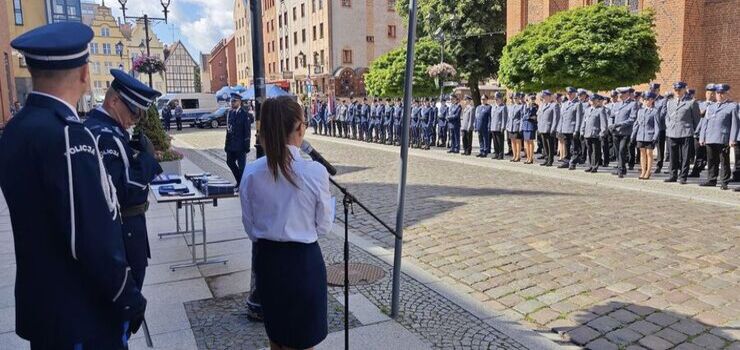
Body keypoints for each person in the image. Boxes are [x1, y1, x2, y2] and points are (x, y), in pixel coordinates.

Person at [0, 22, 146, 349]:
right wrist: (128, 296)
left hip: (43, 306)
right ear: (84, 74)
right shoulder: (69, 134)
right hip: (82, 312)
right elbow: (91, 234)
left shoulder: (15, 130)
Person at [239, 96, 333, 350]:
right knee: (302, 341)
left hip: (268, 260)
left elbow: (250, 226)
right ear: (300, 128)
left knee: (277, 338)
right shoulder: (314, 172)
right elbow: (323, 226)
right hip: (302, 263)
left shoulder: (250, 172)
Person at [85, 68, 163, 292]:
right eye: (134, 112)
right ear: (114, 101)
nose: (135, 119)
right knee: (127, 293)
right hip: (123, 228)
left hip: (125, 228)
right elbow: (123, 190)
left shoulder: (105, 129)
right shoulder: (106, 136)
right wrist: (147, 160)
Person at [700, 84, 736, 190]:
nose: (719, 95)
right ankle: (711, 179)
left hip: (723, 138)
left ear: (726, 94)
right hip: (710, 137)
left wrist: (732, 139)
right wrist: (702, 137)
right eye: (718, 93)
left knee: (724, 161)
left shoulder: (732, 106)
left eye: (722, 93)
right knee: (711, 160)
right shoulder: (710, 107)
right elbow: (705, 123)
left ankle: (724, 181)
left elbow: (734, 124)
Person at [664, 81, 701, 184]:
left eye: (679, 90)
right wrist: (668, 126)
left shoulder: (691, 102)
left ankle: (683, 176)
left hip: (686, 132)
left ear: (685, 89)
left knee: (685, 157)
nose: (678, 92)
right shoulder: (670, 102)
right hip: (672, 132)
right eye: (676, 90)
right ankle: (673, 175)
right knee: (673, 155)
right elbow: (667, 116)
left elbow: (697, 120)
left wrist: (695, 132)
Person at [225, 93, 252, 188]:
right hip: (231, 145)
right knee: (229, 162)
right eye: (231, 101)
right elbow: (228, 130)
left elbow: (247, 131)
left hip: (241, 145)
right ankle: (240, 181)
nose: (232, 103)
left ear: (239, 101)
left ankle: (241, 184)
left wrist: (247, 146)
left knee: (242, 167)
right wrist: (226, 145)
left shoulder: (244, 114)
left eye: (234, 101)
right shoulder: (230, 113)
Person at [609, 87, 638, 178]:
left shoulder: (633, 104)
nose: (620, 95)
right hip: (615, 132)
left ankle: (621, 170)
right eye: (619, 94)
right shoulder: (617, 104)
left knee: (622, 150)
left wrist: (618, 124)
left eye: (622, 93)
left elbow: (632, 119)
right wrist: (611, 125)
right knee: (617, 152)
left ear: (627, 94)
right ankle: (621, 168)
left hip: (625, 132)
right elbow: (611, 116)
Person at [631, 92, 661, 179]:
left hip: (650, 136)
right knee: (642, 153)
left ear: (652, 100)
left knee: (649, 153)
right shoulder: (640, 111)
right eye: (644, 100)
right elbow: (636, 124)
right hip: (641, 135)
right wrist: (633, 135)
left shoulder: (655, 111)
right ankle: (643, 170)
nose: (646, 101)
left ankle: (648, 171)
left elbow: (657, 126)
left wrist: (655, 136)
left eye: (648, 99)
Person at [690, 84, 716, 178]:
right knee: (698, 153)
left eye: (712, 93)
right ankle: (696, 170)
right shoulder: (700, 104)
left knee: (708, 154)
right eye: (708, 93)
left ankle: (703, 170)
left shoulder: (716, 106)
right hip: (698, 133)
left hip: (709, 133)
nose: (709, 95)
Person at [581, 94, 609, 173]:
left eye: (594, 100)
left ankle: (595, 166)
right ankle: (590, 165)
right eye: (591, 100)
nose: (592, 102)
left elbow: (603, 123)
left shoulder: (601, 110)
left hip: (596, 133)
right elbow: (584, 121)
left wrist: (602, 133)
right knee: (589, 150)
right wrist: (582, 131)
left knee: (596, 151)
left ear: (597, 101)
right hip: (587, 133)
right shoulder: (587, 110)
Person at [557, 87, 584, 169]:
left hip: (572, 129)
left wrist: (577, 130)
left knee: (574, 147)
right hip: (565, 128)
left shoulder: (578, 104)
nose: (568, 95)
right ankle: (566, 161)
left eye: (570, 93)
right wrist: (559, 129)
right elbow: (561, 118)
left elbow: (579, 118)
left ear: (574, 94)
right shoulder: (564, 104)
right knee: (566, 146)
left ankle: (573, 163)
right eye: (567, 94)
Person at [649, 83, 668, 173]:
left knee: (660, 147)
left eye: (653, 90)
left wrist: (654, 119)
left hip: (660, 127)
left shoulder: (663, 100)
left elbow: (663, 113)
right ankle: (647, 164)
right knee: (648, 146)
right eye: (651, 90)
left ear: (658, 90)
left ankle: (659, 165)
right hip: (649, 127)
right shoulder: (649, 99)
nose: (652, 92)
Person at [537, 90, 559, 166]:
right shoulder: (542, 105)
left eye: (545, 96)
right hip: (542, 128)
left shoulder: (554, 105)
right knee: (544, 145)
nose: (544, 98)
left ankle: (550, 160)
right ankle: (546, 159)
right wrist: (539, 127)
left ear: (549, 97)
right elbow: (539, 117)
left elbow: (556, 118)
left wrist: (553, 128)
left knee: (550, 145)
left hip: (549, 128)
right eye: (543, 97)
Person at [506, 92, 523, 162]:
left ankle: (518, 156)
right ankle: (514, 155)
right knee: (512, 141)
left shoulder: (521, 106)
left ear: (519, 98)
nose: (515, 99)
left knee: (518, 141)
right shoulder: (511, 106)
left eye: (516, 98)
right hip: (511, 126)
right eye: (514, 98)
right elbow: (509, 117)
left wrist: (520, 127)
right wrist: (507, 125)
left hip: (517, 126)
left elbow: (521, 118)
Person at [522, 94, 539, 164]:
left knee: (530, 142)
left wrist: (528, 116)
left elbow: (531, 116)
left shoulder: (535, 106)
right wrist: (528, 116)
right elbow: (523, 116)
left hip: (531, 126)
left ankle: (531, 158)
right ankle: (528, 157)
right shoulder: (525, 106)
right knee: (526, 142)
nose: (531, 100)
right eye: (530, 99)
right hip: (525, 125)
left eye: (533, 99)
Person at [490, 93, 507, 160]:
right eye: (495, 99)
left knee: (500, 142)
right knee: (495, 142)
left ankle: (500, 154)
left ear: (501, 99)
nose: (496, 100)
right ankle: (496, 154)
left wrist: (503, 127)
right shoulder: (493, 107)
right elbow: (492, 117)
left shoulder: (503, 107)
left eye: (497, 99)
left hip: (499, 127)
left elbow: (504, 118)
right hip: (493, 127)